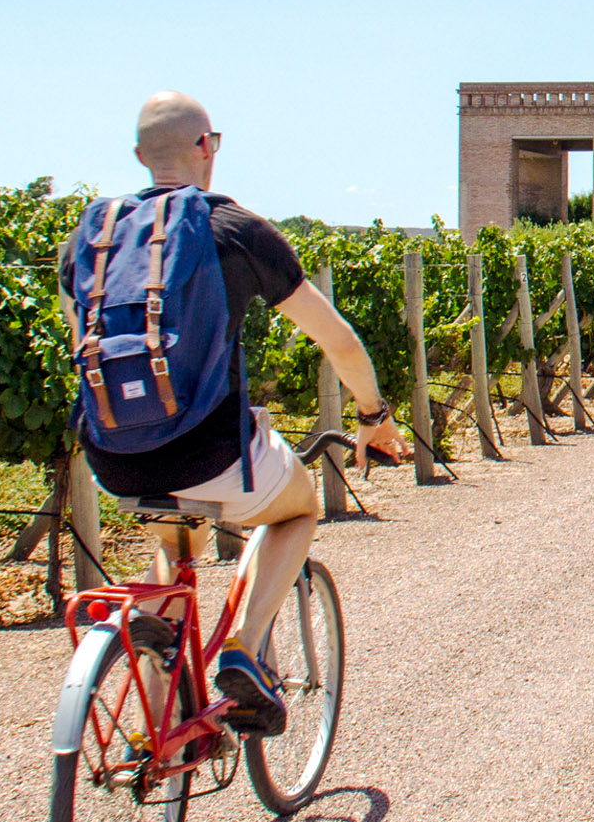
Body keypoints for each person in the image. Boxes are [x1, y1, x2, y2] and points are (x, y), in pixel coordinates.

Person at [62, 91, 409, 736]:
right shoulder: (235, 230)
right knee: (298, 508)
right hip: (210, 451)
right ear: (208, 147)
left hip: (114, 458)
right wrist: (373, 415)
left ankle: (161, 722)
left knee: (174, 548)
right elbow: (337, 339)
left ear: (139, 156)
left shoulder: (94, 238)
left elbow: (84, 351)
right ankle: (244, 650)